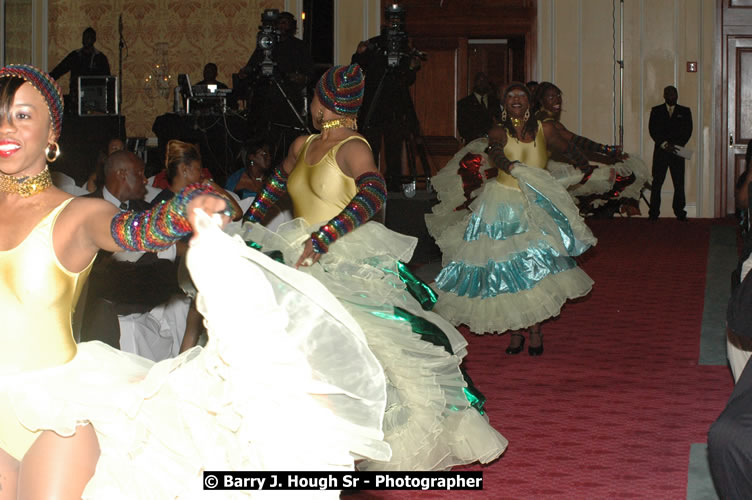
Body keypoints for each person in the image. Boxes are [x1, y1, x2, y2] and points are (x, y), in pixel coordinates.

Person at [0, 64, 389, 498]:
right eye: (0, 114)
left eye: (22, 115)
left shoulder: (75, 214)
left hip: (57, 416)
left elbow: (136, 229)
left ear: (52, 132)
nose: (7, 127)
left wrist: (186, 207)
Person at [241, 63, 508, 471]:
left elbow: (374, 191)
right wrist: (244, 227)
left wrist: (326, 236)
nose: (310, 102)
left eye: (314, 95)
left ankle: (372, 435)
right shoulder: (301, 145)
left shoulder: (353, 147)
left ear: (324, 101)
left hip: (345, 257)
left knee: (374, 345)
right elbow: (274, 189)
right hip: (298, 253)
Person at [426, 82, 597, 356]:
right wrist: (508, 166)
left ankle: (536, 329)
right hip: (502, 207)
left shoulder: (545, 129)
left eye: (521, 96)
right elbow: (495, 151)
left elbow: (570, 146)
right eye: (510, 96)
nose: (516, 99)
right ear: (504, 104)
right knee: (506, 270)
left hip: (535, 204)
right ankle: (516, 330)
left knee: (536, 266)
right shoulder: (498, 131)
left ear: (530, 103)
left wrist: (587, 165)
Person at [532, 81, 651, 217]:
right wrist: (608, 150)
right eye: (551, 97)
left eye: (558, 95)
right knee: (615, 176)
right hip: (543, 172)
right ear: (541, 101)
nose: (557, 99)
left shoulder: (542, 118)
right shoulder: (547, 123)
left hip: (544, 169)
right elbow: (576, 140)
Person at [351, 5, 424, 191]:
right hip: (374, 105)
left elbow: (408, 79)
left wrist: (411, 67)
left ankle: (393, 185)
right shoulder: (375, 44)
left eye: (398, 19)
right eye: (392, 19)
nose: (394, 23)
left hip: (396, 107)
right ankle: (369, 185)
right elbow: (357, 67)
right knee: (370, 148)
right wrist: (360, 54)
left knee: (394, 150)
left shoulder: (405, 47)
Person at [239, 11, 314, 150]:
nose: (281, 25)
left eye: (285, 22)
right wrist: (245, 72)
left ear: (292, 26)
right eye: (279, 22)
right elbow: (253, 64)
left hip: (288, 96)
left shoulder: (299, 46)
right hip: (265, 96)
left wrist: (299, 77)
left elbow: (308, 73)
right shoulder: (267, 43)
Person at [648, 85, 693, 221]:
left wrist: (676, 145)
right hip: (661, 151)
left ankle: (680, 212)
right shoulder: (656, 111)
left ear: (677, 95)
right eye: (669, 94)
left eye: (674, 94)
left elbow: (688, 130)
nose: (672, 96)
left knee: (679, 183)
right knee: (657, 183)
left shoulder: (685, 111)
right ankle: (654, 213)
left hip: (678, 151)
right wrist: (664, 144)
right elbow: (653, 129)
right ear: (664, 96)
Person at [49, 27, 111, 106]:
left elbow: (108, 81)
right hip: (76, 98)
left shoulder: (100, 58)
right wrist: (46, 80)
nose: (86, 40)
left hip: (95, 100)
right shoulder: (75, 56)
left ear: (94, 40)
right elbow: (59, 70)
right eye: (84, 37)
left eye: (89, 37)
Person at [457, 72, 500, 143]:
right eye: (479, 81)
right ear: (475, 83)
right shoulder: (464, 104)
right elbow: (462, 127)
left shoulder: (495, 102)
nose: (481, 84)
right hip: (473, 144)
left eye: (484, 81)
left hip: (493, 143)